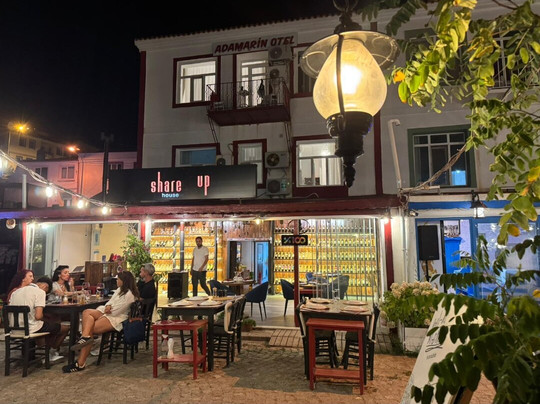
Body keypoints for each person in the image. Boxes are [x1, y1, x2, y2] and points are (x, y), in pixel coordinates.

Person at [62, 271, 139, 373]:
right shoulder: (119, 290)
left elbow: (117, 311)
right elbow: (110, 302)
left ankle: (80, 362)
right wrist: (108, 306)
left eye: (118, 279)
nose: (116, 281)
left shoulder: (129, 294)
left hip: (116, 317)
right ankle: (85, 338)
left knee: (89, 329)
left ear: (124, 281)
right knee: (86, 312)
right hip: (107, 312)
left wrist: (108, 308)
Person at [9, 276, 70, 362]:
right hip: (31, 328)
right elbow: (38, 316)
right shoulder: (40, 292)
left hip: (14, 329)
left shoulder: (16, 292)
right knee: (65, 328)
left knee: (46, 325)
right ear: (45, 287)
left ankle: (45, 351)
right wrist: (44, 318)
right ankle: (50, 353)